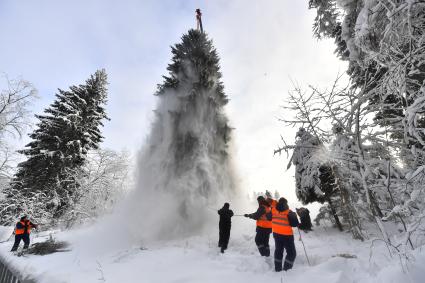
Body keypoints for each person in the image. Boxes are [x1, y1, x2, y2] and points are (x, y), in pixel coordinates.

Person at [267, 198, 299, 272]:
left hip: (276, 234)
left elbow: (268, 218)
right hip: (287, 235)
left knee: (278, 251)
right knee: (291, 253)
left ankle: (278, 269)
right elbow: (295, 224)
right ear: (286, 203)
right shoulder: (289, 212)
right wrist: (294, 216)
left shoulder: (273, 210)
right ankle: (286, 270)